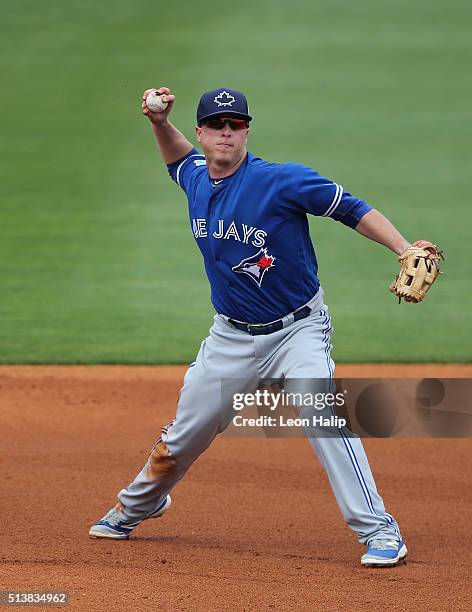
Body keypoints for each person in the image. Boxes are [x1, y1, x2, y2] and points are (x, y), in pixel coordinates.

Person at [89, 86, 410, 567]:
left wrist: (403, 249)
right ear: (200, 133)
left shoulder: (281, 181)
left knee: (322, 415)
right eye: (216, 126)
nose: (225, 134)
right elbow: (178, 160)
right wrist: (158, 124)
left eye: (234, 125)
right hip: (230, 336)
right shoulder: (197, 177)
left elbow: (354, 209)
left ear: (246, 132)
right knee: (184, 435)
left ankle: (379, 530)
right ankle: (140, 504)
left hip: (297, 330)